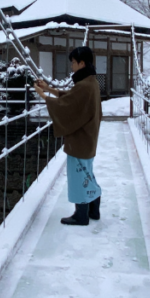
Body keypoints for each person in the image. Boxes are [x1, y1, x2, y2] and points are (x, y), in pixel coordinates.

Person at [34, 46, 102, 226]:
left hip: (80, 139)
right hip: (88, 137)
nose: (71, 66)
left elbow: (67, 105)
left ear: (82, 63)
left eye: (73, 62)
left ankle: (81, 215)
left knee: (79, 176)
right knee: (87, 173)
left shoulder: (85, 85)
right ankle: (93, 209)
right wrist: (49, 89)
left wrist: (44, 96)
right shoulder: (90, 81)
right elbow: (72, 97)